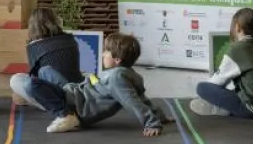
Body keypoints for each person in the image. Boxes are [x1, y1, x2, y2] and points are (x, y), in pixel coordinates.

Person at [26, 33, 171, 135]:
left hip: (76, 106)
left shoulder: (117, 78)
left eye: (106, 52)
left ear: (118, 59)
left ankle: (65, 115)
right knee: (45, 70)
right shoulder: (127, 73)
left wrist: (151, 123)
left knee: (32, 86)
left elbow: (132, 101)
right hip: (75, 92)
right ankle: (51, 102)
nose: (102, 54)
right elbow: (142, 98)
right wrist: (160, 116)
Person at [191, 8, 253, 118]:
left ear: (237, 27)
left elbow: (217, 82)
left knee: (202, 87)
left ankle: (223, 109)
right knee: (238, 90)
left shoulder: (238, 49)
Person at [10, 8, 84, 110]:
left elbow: (34, 80)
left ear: (32, 25)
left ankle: (46, 104)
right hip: (76, 90)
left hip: (56, 93)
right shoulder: (70, 39)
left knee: (16, 79)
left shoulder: (35, 46)